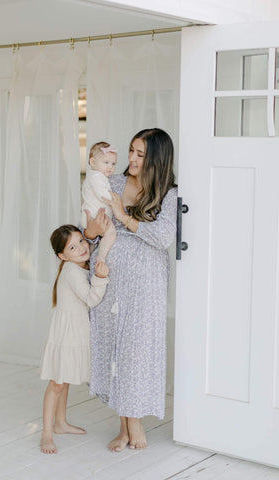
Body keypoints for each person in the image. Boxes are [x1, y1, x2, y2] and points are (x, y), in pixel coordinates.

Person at [84, 128, 177, 452]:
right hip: (109, 278)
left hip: (145, 282)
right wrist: (91, 230)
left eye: (141, 154)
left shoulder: (168, 193)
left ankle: (134, 421)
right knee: (112, 347)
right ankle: (123, 425)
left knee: (136, 350)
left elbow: (163, 236)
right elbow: (91, 229)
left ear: (156, 159)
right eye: (131, 151)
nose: (132, 159)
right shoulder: (114, 184)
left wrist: (125, 217)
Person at [39, 225, 109, 454]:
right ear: (62, 255)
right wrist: (101, 277)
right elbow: (91, 299)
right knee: (57, 382)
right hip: (67, 333)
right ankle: (46, 434)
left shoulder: (76, 267)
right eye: (72, 246)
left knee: (64, 378)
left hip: (74, 330)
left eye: (81, 241)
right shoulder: (71, 270)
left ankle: (60, 423)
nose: (81, 248)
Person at [80, 142, 117, 264]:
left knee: (92, 246)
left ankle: (88, 260)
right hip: (96, 217)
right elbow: (101, 193)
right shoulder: (97, 176)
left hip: (93, 216)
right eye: (106, 163)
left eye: (113, 163)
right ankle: (101, 258)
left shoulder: (96, 176)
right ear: (93, 162)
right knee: (111, 233)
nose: (110, 167)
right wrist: (114, 199)